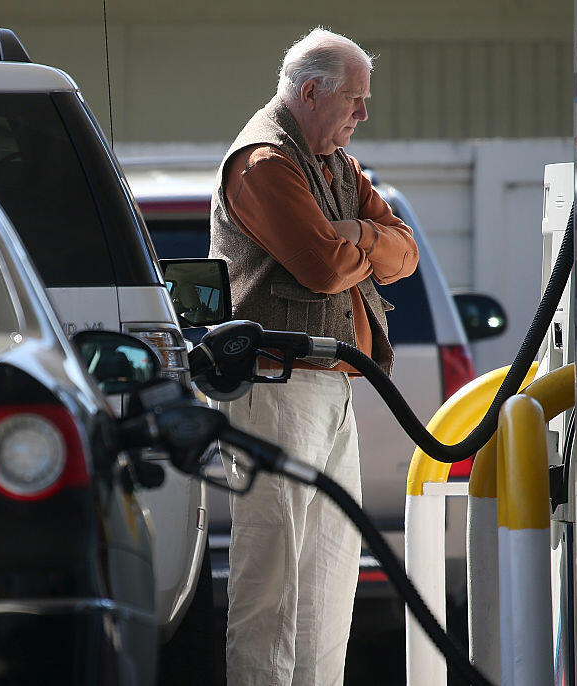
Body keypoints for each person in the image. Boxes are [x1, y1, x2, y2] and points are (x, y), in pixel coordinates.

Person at [209, 27, 419, 686]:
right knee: (271, 578)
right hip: (276, 388)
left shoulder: (338, 165)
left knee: (330, 573)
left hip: (329, 387)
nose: (363, 114)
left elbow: (406, 253)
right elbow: (325, 270)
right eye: (355, 100)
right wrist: (362, 246)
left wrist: (354, 232)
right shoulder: (265, 161)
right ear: (310, 92)